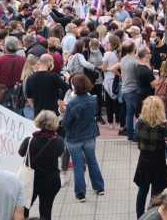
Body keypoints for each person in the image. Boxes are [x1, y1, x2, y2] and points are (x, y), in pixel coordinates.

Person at [61, 74, 105, 202]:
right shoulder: (93, 99)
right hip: (89, 135)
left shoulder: (72, 103)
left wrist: (63, 111)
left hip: (74, 137)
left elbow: (66, 123)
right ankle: (99, 187)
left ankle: (80, 193)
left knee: (78, 165)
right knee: (92, 161)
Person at [18, 111, 65, 220]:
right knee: (46, 210)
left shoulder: (29, 140)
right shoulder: (58, 141)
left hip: (31, 180)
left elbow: (21, 153)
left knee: (24, 209)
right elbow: (60, 153)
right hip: (51, 180)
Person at [134, 96, 167, 218]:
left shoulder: (139, 123)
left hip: (144, 161)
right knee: (156, 195)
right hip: (158, 163)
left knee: (142, 192)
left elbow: (137, 139)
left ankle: (140, 216)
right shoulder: (163, 126)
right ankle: (152, 216)